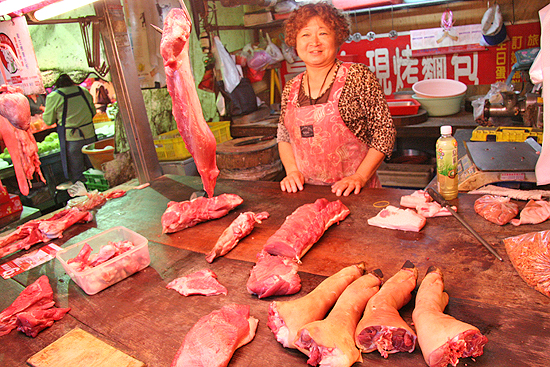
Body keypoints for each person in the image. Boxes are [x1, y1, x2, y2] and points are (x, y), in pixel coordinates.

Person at [277, 2, 396, 197]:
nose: (314, 42)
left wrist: (360, 177)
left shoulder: (358, 76)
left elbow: (384, 132)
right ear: (295, 42)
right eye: (305, 34)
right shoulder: (291, 87)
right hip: (307, 194)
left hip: (355, 193)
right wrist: (291, 172)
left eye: (323, 33)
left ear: (337, 38)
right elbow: (284, 136)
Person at [42, 74, 97, 183]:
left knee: (78, 174)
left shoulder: (54, 97)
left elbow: (48, 121)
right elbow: (93, 112)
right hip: (90, 135)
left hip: (72, 140)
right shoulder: (83, 91)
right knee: (95, 170)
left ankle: (85, 196)